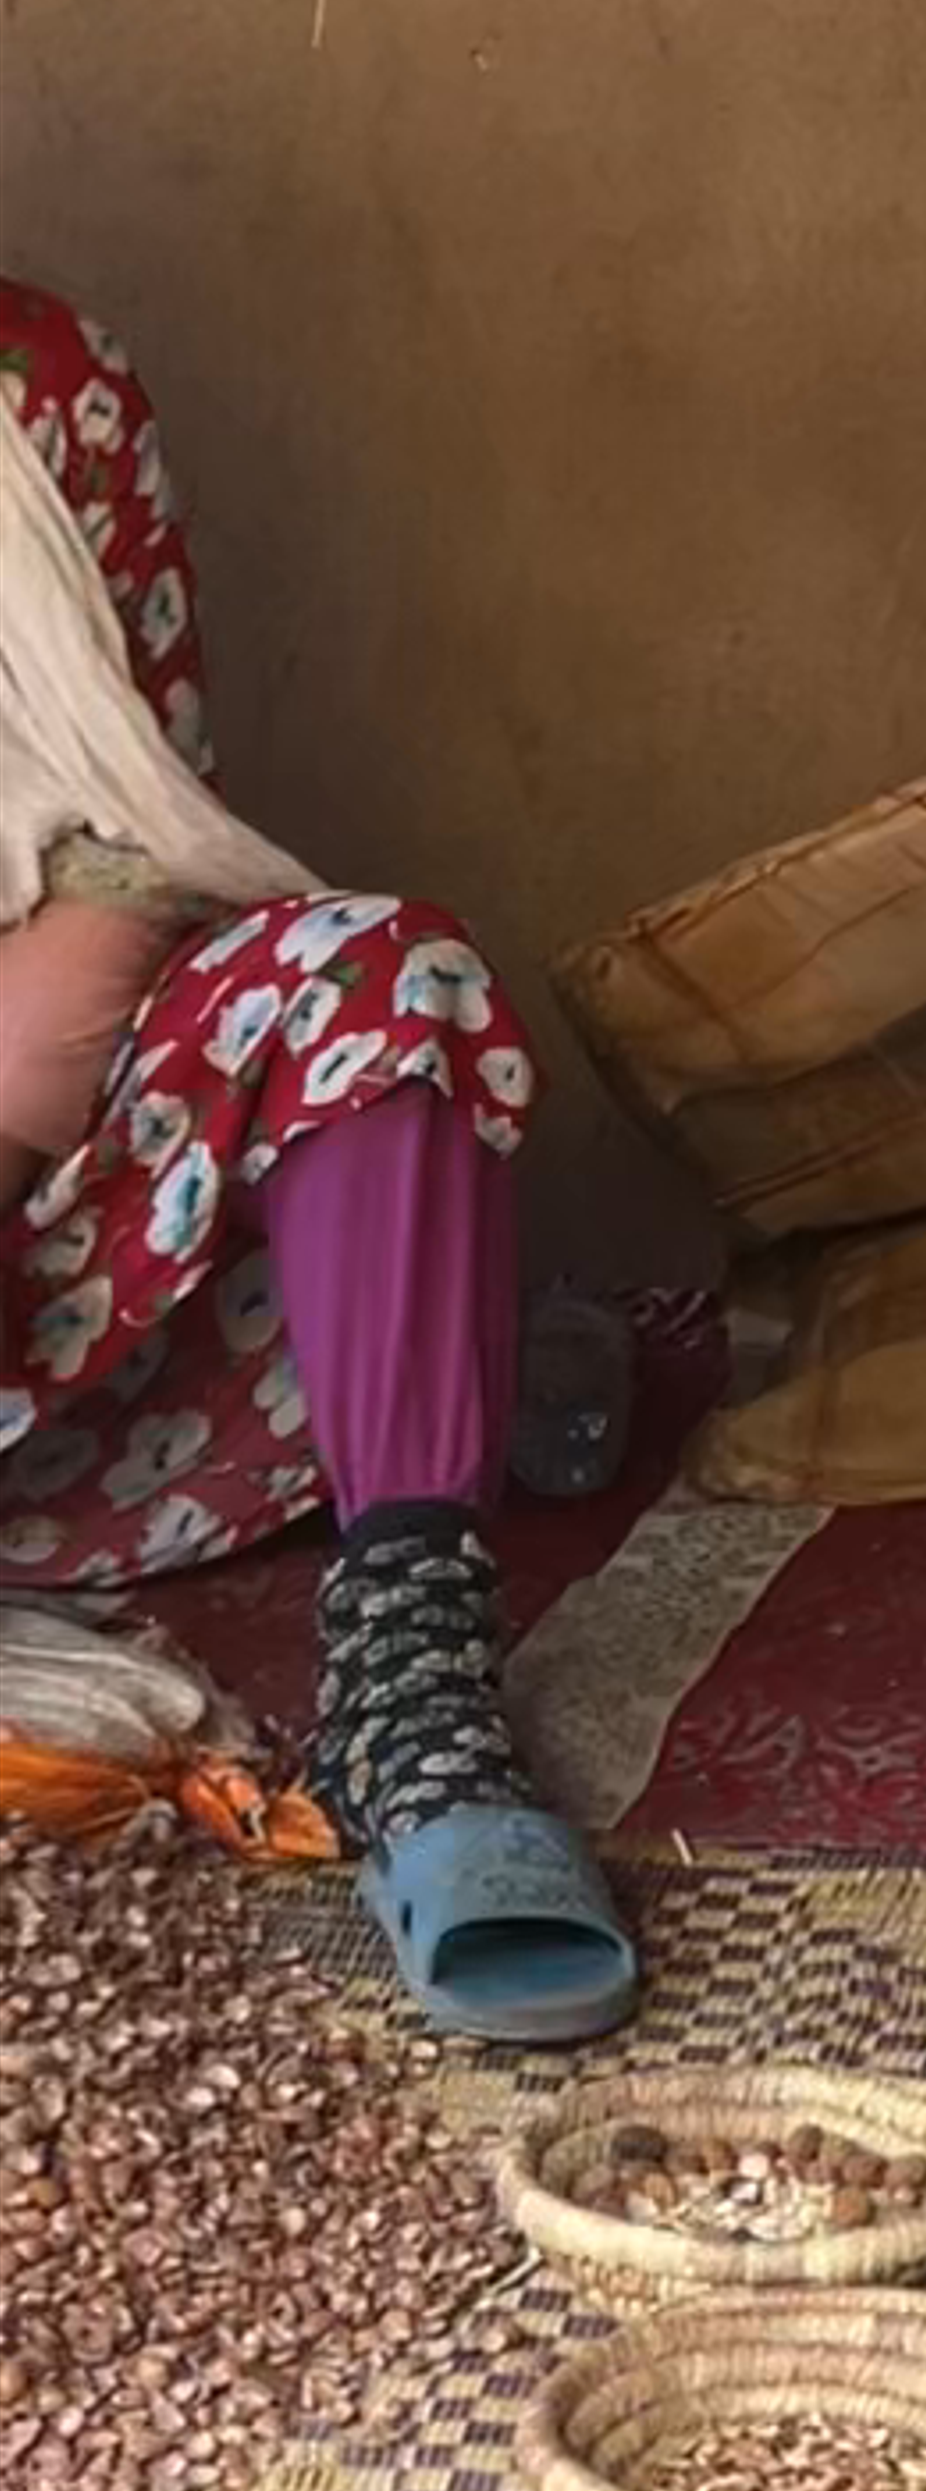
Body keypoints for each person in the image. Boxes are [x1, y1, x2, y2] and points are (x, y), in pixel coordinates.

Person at [0, 277, 633, 2036]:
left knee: (383, 982)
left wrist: (7, 1112)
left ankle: (408, 1676)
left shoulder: (46, 390)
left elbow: (134, 827)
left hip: (42, 1195)